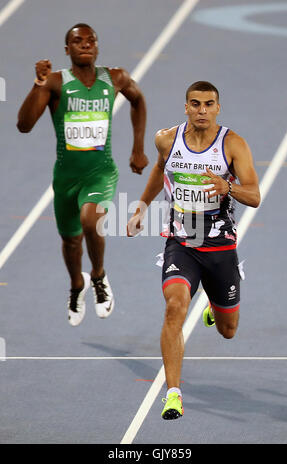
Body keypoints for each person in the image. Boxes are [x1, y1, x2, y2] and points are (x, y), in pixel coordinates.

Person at [127, 81, 260, 419]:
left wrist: (227, 186)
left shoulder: (232, 144)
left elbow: (255, 196)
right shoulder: (167, 140)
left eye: (209, 104)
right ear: (185, 106)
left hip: (220, 247)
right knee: (175, 307)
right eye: (195, 104)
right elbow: (160, 167)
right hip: (181, 243)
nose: (202, 110)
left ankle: (216, 307)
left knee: (228, 331)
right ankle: (173, 393)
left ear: (218, 108)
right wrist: (142, 206)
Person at [17, 23, 148, 326]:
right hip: (65, 177)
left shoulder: (115, 78)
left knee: (91, 219)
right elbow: (23, 125)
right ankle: (78, 285)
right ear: (67, 50)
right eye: (78, 41)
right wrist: (37, 84)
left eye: (91, 40)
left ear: (98, 46)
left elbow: (138, 100)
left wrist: (138, 148)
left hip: (101, 172)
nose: (85, 45)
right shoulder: (54, 83)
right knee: (71, 241)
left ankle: (99, 276)